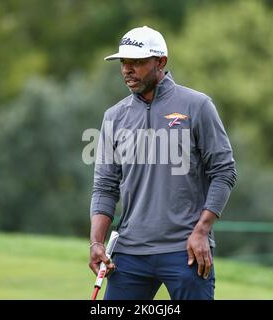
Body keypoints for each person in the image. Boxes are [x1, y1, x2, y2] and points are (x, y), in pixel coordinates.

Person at [89, 26, 237, 300]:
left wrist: (202, 230)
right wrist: (96, 242)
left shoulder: (197, 105)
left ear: (161, 62)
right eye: (124, 62)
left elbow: (224, 172)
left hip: (186, 251)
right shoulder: (114, 117)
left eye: (137, 62)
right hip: (129, 254)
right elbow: (105, 187)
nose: (127, 69)